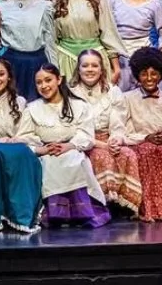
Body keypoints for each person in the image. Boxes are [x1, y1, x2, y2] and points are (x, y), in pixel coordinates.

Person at [14, 63, 110, 227]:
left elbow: (86, 134)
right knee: (51, 162)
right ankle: (56, 214)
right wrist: (42, 149)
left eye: (48, 80)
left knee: (73, 159)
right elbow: (23, 137)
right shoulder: (32, 109)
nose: (44, 86)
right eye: (39, 82)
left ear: (59, 80)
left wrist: (70, 146)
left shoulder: (79, 106)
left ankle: (81, 213)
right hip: (47, 153)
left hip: (72, 149)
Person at [0, 56, 44, 233]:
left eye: (1, 74)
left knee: (24, 154)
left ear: (9, 76)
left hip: (13, 146)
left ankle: (20, 215)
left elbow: (26, 132)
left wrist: (16, 140)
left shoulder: (20, 102)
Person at [119, 48, 162, 221]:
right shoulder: (126, 99)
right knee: (148, 153)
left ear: (161, 74)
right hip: (137, 146)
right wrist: (145, 139)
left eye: (154, 73)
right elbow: (123, 132)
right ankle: (148, 208)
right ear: (137, 75)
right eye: (144, 74)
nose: (149, 78)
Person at [71, 49, 141, 213]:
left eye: (94, 65)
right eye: (85, 65)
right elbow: (74, 129)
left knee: (127, 154)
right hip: (83, 141)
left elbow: (118, 121)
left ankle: (122, 205)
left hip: (107, 138)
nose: (90, 69)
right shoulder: (71, 92)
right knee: (100, 156)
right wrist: (101, 145)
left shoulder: (112, 90)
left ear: (102, 69)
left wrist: (115, 139)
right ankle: (100, 205)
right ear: (78, 69)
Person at [46, 0, 126, 82]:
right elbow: (51, 41)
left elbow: (108, 32)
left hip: (95, 60)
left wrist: (116, 68)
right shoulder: (53, 0)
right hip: (66, 60)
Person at [0, 0, 55, 102]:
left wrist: (55, 71)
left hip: (37, 63)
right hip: (11, 63)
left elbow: (50, 43)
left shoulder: (44, 7)